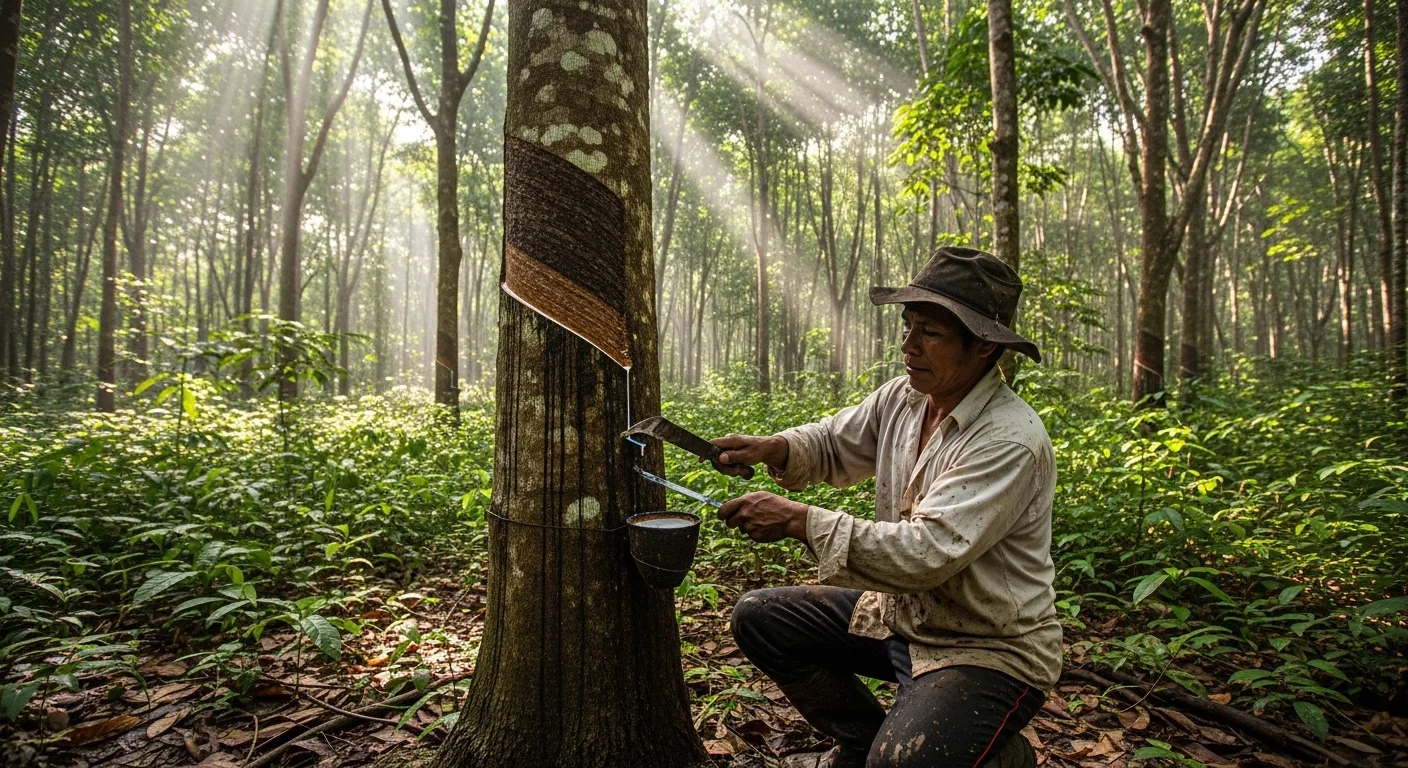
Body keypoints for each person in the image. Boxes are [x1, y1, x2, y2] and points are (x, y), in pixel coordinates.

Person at [709, 246, 1059, 768]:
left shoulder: (1007, 440)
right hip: (897, 616)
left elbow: (926, 553)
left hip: (985, 646)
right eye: (908, 325)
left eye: (930, 334)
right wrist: (774, 447)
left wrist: (797, 519)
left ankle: (1002, 757)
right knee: (762, 619)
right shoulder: (904, 398)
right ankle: (861, 741)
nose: (908, 345)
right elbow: (834, 442)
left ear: (983, 347)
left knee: (902, 764)